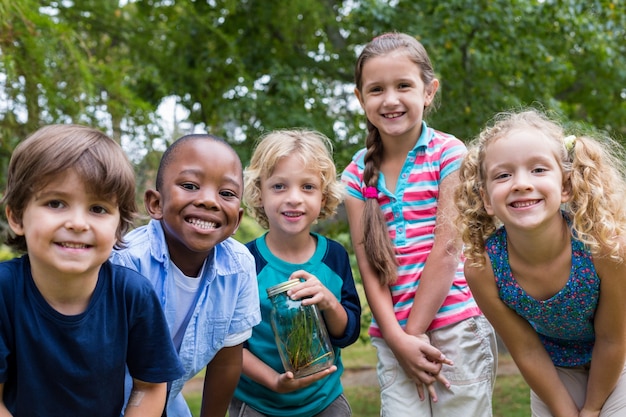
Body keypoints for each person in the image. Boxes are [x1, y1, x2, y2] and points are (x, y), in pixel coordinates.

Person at [341, 32, 497, 416]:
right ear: (361, 99)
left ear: (428, 92)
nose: (390, 99)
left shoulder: (449, 154)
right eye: (376, 89)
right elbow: (369, 265)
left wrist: (411, 334)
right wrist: (397, 339)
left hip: (456, 327)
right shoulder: (355, 175)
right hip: (393, 339)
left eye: (403, 86)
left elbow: (447, 250)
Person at [0, 124, 184, 416]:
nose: (77, 223)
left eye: (98, 209)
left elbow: (149, 385)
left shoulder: (132, 294)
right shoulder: (4, 291)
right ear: (17, 216)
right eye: (56, 203)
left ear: (118, 226)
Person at [456, 108, 626, 417]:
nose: (521, 183)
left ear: (565, 186)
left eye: (538, 170)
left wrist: (590, 410)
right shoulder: (483, 267)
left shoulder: (603, 247)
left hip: (620, 354)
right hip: (555, 364)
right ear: (486, 198)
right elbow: (526, 350)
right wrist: (564, 411)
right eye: (503, 175)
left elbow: (612, 339)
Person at [110, 133, 261, 417]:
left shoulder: (239, 266)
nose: (208, 201)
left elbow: (227, 362)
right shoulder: (124, 263)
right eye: (190, 186)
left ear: (238, 219)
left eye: (226, 193)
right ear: (155, 204)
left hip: (165, 400)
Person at [229, 129, 361, 417]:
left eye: (308, 187)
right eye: (279, 186)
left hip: (324, 401)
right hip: (259, 403)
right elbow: (230, 345)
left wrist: (328, 303)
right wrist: (275, 383)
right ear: (259, 193)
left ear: (324, 197)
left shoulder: (335, 256)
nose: (293, 198)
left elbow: (347, 333)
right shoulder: (244, 262)